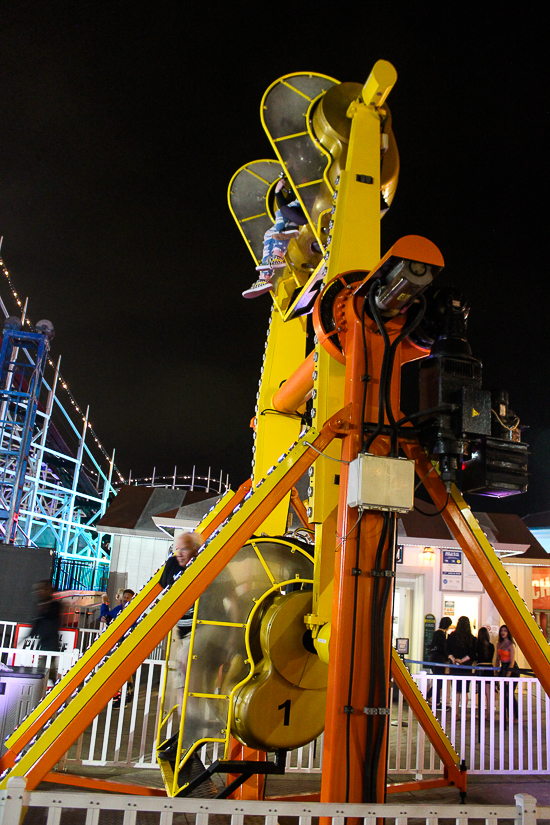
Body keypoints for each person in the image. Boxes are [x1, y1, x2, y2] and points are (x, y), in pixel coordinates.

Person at [157, 531, 203, 759]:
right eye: (177, 549)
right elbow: (164, 587)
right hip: (185, 633)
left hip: (201, 631)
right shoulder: (174, 564)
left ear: (194, 549)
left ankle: (190, 735)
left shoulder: (203, 562)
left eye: (184, 549)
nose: (179, 554)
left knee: (184, 682)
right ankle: (189, 730)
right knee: (182, 685)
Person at [242, 176, 308, 299]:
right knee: (268, 233)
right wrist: (277, 192)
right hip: (293, 216)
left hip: (307, 207)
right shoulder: (292, 191)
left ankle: (277, 256)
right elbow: (284, 205)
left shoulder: (305, 181)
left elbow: (285, 208)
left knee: (281, 213)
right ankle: (264, 278)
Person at [29, 581, 61, 685]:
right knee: (48, 673)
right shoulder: (42, 605)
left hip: (51, 644)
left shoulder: (55, 606)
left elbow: (49, 619)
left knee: (43, 671)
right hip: (44, 643)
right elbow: (37, 624)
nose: (40, 592)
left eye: (43, 590)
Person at [447, 616, 477, 701]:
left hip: (454, 666)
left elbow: (448, 650)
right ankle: (462, 712)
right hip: (466, 667)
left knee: (456, 690)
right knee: (465, 691)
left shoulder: (452, 636)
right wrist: (462, 660)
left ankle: (455, 713)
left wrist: (454, 659)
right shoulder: (472, 638)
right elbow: (472, 654)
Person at [427, 616, 452, 707]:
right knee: (439, 682)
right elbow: (443, 648)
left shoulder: (436, 633)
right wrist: (447, 658)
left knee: (438, 681)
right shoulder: (442, 634)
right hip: (439, 660)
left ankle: (432, 699)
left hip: (433, 659)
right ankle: (431, 699)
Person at [496, 624, 518, 726]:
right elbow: (497, 659)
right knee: (504, 694)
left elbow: (512, 662)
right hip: (503, 668)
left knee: (509, 694)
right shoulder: (499, 643)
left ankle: (515, 715)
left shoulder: (511, 644)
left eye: (505, 631)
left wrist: (508, 676)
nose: (503, 632)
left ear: (508, 632)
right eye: (502, 631)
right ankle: (507, 716)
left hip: (512, 670)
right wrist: (496, 672)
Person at [474, 625, 495, 708]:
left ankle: (480, 713)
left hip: (480, 669)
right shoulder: (491, 646)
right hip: (490, 669)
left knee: (481, 692)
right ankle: (489, 713)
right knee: (488, 693)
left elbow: (475, 658)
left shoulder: (477, 645)